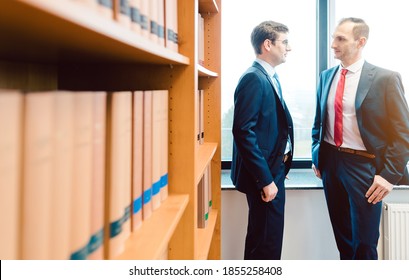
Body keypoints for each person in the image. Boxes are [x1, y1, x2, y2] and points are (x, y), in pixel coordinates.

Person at [311, 17, 409, 260]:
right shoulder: (326, 76)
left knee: (364, 245)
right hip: (331, 165)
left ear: (361, 42)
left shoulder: (385, 79)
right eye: (334, 37)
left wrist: (389, 175)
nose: (333, 43)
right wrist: (317, 155)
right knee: (343, 241)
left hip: (364, 167)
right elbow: (319, 122)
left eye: (341, 39)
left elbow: (403, 132)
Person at [230, 20, 294, 260]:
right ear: (267, 44)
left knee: (268, 238)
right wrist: (265, 179)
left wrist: (280, 162)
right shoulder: (254, 79)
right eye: (285, 42)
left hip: (273, 168)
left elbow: (269, 127)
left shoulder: (270, 77)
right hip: (264, 176)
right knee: (265, 245)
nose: (289, 47)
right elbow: (243, 132)